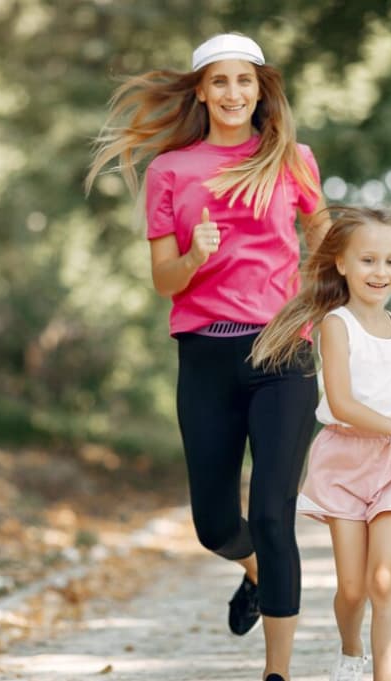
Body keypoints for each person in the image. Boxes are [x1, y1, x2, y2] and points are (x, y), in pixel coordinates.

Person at [85, 33, 330, 681]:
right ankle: (254, 571)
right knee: (215, 523)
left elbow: (325, 241)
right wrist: (193, 255)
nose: (233, 93)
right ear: (200, 90)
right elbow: (164, 280)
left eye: (244, 81)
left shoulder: (292, 158)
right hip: (206, 356)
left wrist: (314, 304)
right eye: (219, 81)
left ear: (261, 88)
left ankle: (277, 672)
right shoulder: (172, 170)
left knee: (275, 514)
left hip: (283, 354)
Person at [250, 206, 391, 681]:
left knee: (382, 580)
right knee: (352, 589)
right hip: (344, 463)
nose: (380, 271)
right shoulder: (335, 325)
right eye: (368, 260)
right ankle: (350, 651)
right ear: (342, 263)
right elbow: (343, 404)